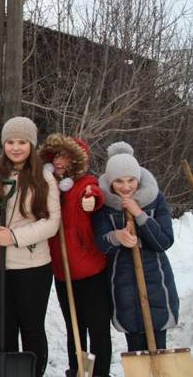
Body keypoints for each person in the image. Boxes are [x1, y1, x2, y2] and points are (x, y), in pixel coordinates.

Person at [0, 116, 60, 377]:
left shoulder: (44, 177)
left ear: (31, 145)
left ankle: (33, 372)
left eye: (22, 142)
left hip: (31, 267)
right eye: (10, 142)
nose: (16, 147)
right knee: (3, 327)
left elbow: (52, 222)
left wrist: (15, 236)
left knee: (31, 327)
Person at [93, 142, 179, 352]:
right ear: (110, 182)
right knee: (135, 343)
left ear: (138, 179)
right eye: (119, 181)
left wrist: (139, 215)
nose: (126, 186)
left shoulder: (155, 199)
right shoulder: (104, 204)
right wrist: (117, 236)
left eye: (131, 180)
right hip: (123, 280)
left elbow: (164, 241)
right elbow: (101, 244)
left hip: (157, 280)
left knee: (159, 341)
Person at [39, 134, 111, 377]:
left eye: (67, 156)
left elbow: (93, 192)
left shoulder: (84, 184)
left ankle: (99, 373)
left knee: (97, 328)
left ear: (77, 161)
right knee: (75, 329)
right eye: (58, 155)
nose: (60, 161)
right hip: (63, 273)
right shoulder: (49, 187)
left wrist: (93, 198)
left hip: (91, 271)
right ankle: (78, 371)